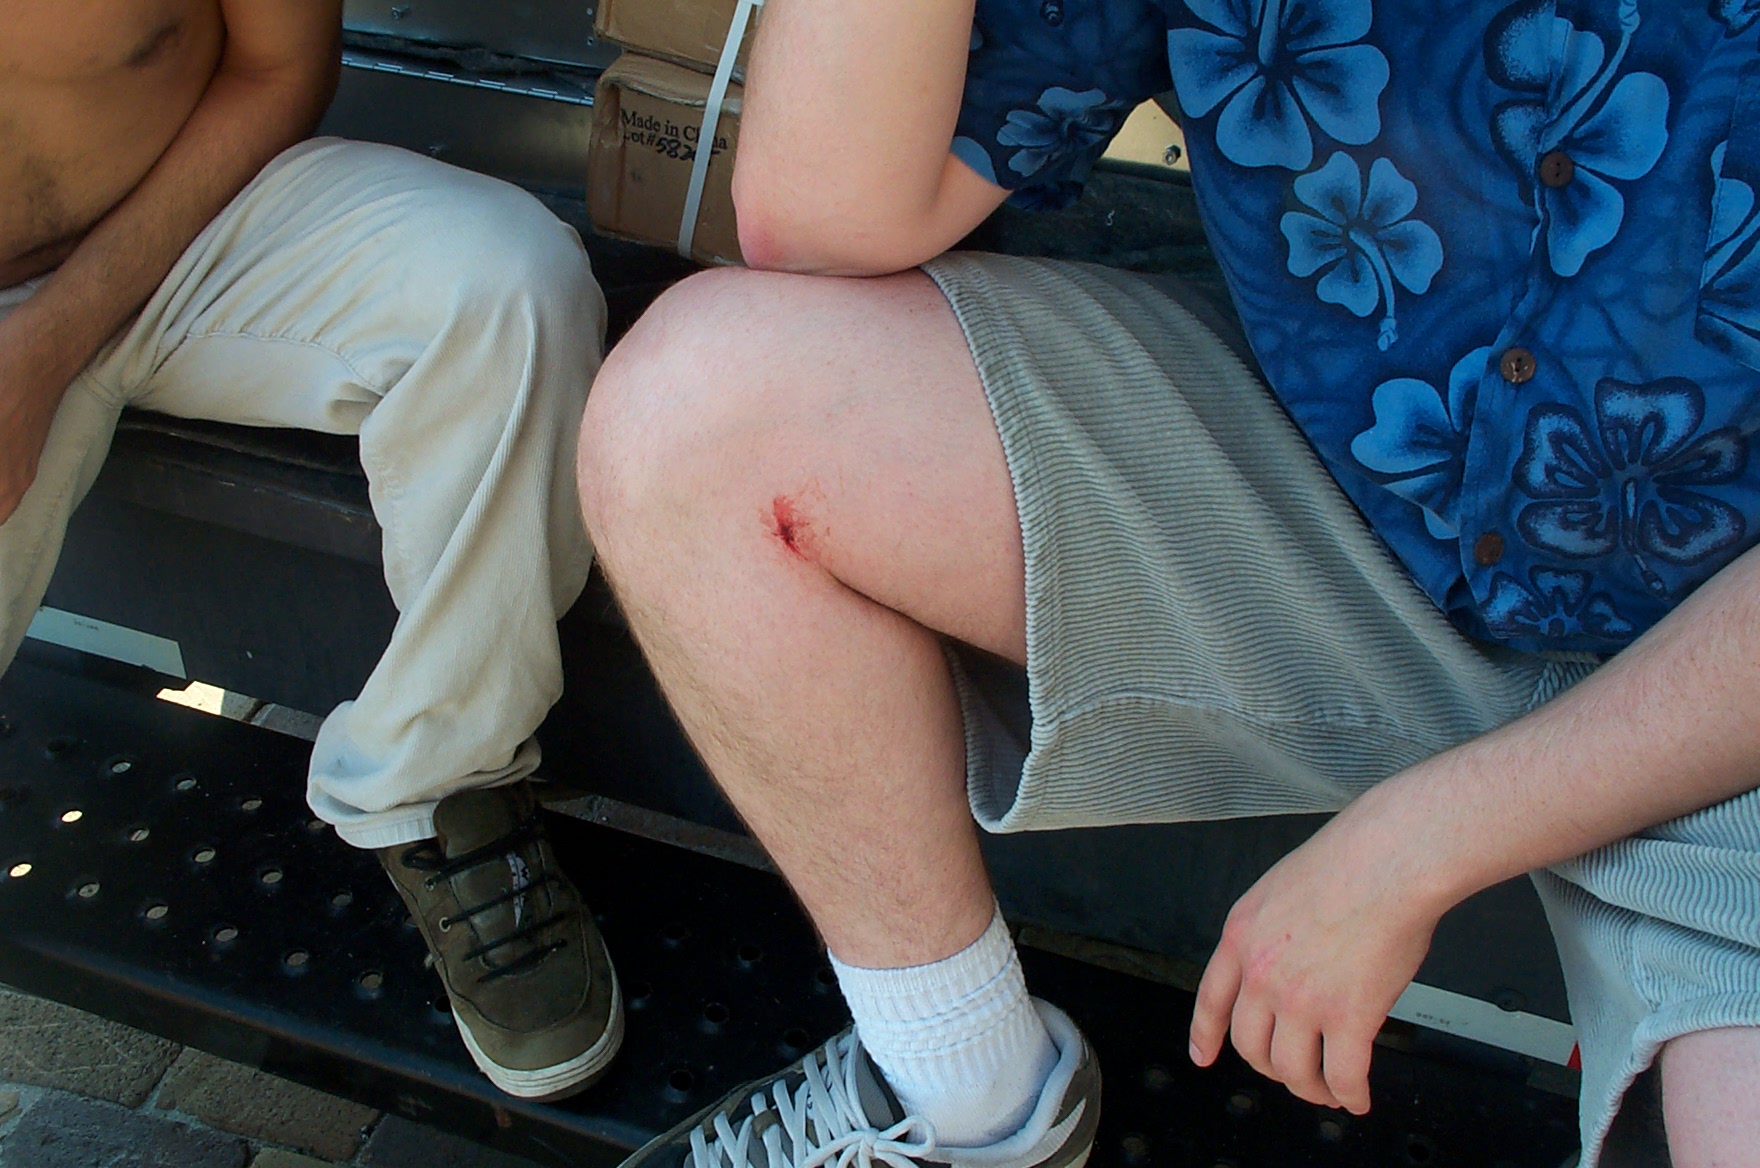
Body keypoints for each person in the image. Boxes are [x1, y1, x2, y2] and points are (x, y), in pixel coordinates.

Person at [576, 0, 1760, 1164]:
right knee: (701, 418)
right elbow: (816, 218)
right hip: (1364, 496)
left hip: (1722, 659)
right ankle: (965, 1097)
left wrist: (1422, 839)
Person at [1, 0, 619, 1100]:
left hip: (188, 227)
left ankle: (444, 786)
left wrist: (44, 348)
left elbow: (277, 68)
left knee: (512, 291)